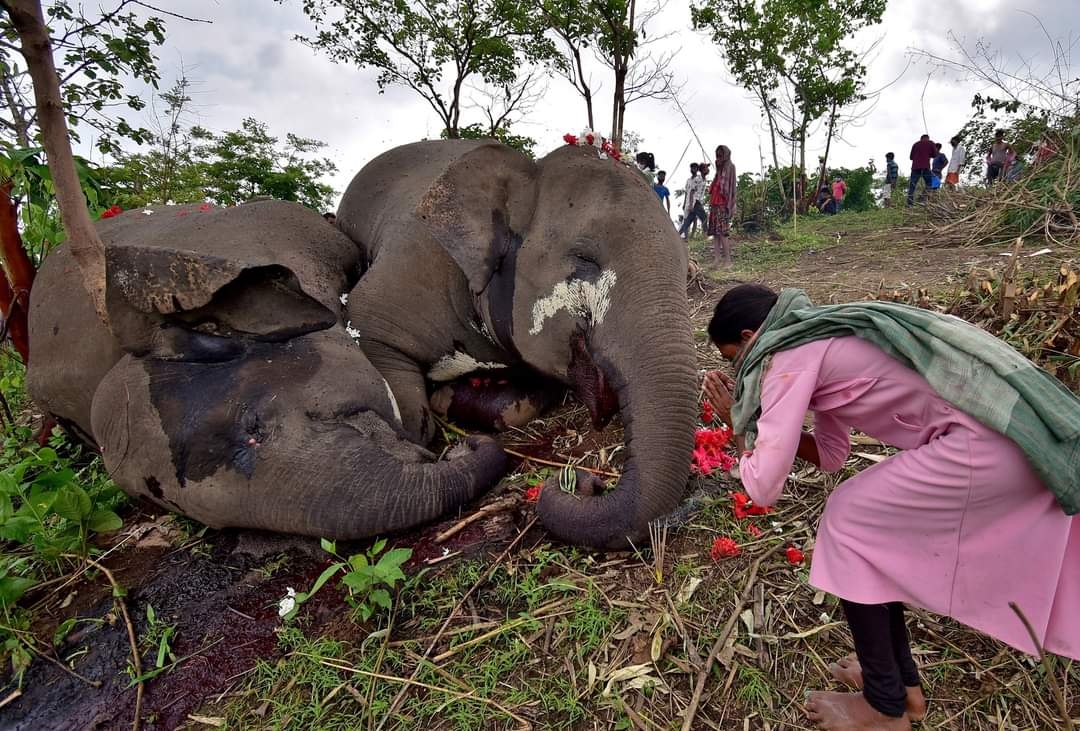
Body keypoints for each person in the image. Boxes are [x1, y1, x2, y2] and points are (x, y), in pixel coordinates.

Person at [703, 283, 1080, 731]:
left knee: (847, 520)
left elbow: (764, 488)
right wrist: (764, 422)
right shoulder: (823, 336)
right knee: (861, 533)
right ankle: (903, 688)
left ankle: (884, 708)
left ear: (750, 337)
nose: (736, 369)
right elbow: (830, 455)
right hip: (997, 438)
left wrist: (737, 423)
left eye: (732, 359)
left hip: (986, 446)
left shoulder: (786, 358)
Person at [708, 145, 737, 268]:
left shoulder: (730, 167)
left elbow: (729, 187)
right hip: (715, 204)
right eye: (717, 155)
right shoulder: (719, 170)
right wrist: (718, 169)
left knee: (723, 233)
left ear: (725, 155)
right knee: (715, 232)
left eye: (721, 155)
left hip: (722, 204)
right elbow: (714, 185)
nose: (718, 157)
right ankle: (717, 259)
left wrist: (732, 204)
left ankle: (728, 261)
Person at [678, 163, 707, 239]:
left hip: (696, 201)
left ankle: (680, 235)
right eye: (706, 168)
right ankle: (704, 236)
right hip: (694, 201)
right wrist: (689, 204)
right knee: (702, 217)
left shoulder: (703, 179)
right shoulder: (696, 179)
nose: (708, 170)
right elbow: (690, 192)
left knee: (689, 220)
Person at [906, 134, 936, 207]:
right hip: (926, 167)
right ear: (927, 138)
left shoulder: (915, 144)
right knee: (929, 183)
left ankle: (909, 204)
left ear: (921, 138)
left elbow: (911, 157)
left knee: (912, 186)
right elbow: (935, 155)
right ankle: (923, 200)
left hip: (915, 167)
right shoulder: (931, 143)